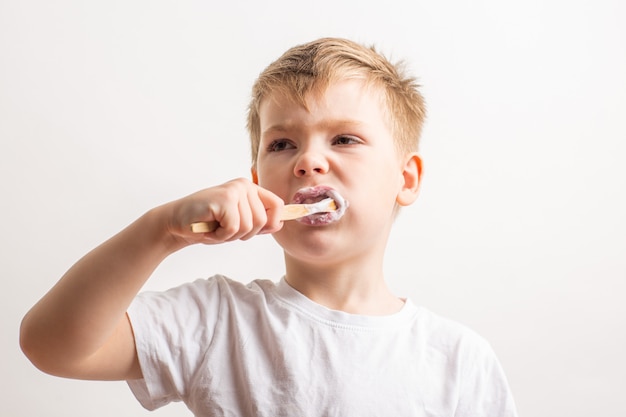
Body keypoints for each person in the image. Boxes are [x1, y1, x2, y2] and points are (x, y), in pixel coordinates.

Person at [20, 37, 518, 416]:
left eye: (344, 139)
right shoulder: (216, 321)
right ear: (258, 183)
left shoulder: (459, 360)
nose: (308, 162)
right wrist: (161, 231)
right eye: (282, 144)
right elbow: (51, 346)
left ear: (405, 180)